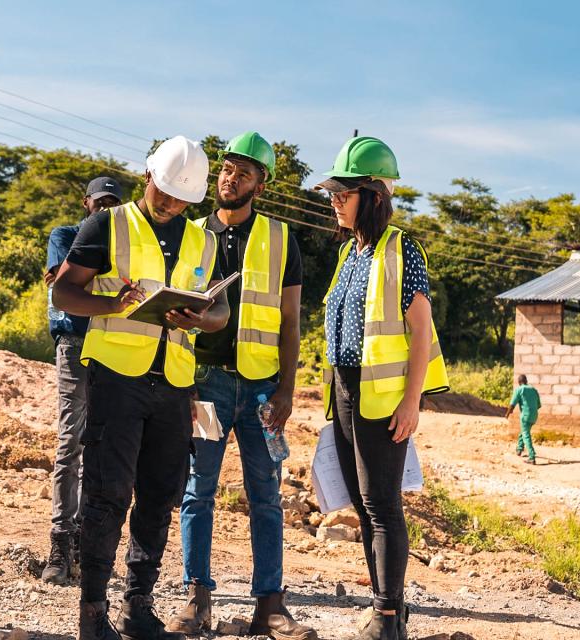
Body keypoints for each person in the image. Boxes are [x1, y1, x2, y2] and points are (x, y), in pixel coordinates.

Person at [53, 136, 229, 640]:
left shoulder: (204, 239)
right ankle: (92, 613)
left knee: (159, 496)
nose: (172, 204)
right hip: (116, 377)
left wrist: (200, 317)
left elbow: (219, 311)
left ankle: (138, 605)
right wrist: (114, 305)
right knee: (107, 495)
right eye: (166, 192)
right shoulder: (108, 224)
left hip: (173, 382)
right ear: (148, 176)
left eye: (182, 199)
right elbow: (65, 291)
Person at [168, 132, 315, 640]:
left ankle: (269, 606)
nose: (230, 178)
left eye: (243, 173)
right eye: (226, 169)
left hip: (259, 391)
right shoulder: (190, 234)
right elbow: (172, 313)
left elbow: (291, 320)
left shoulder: (279, 237)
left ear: (261, 184)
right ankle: (196, 598)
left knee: (266, 496)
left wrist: (286, 391)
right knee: (197, 491)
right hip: (203, 385)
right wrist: (180, 386)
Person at [316, 136, 449, 640]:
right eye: (332, 194)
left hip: (384, 398)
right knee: (362, 503)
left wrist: (412, 402)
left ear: (371, 195)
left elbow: (421, 330)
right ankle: (384, 609)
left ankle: (388, 618)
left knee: (383, 506)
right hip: (347, 392)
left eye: (341, 193)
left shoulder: (402, 250)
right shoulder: (352, 252)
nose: (333, 201)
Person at [42, 176, 125, 585]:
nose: (105, 209)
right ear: (86, 203)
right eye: (100, 202)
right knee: (70, 439)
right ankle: (61, 538)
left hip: (114, 343)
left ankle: (87, 540)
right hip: (75, 341)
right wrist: (108, 288)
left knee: (105, 444)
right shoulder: (67, 234)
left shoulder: (125, 244)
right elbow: (63, 285)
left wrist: (83, 284)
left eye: (113, 202)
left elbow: (74, 284)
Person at [506, 374, 541, 464]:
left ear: (519, 382)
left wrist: (507, 413)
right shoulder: (534, 390)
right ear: (526, 381)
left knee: (526, 434)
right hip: (534, 415)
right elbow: (539, 405)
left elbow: (512, 404)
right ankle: (519, 448)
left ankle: (532, 457)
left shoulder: (519, 389)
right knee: (524, 430)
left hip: (525, 415)